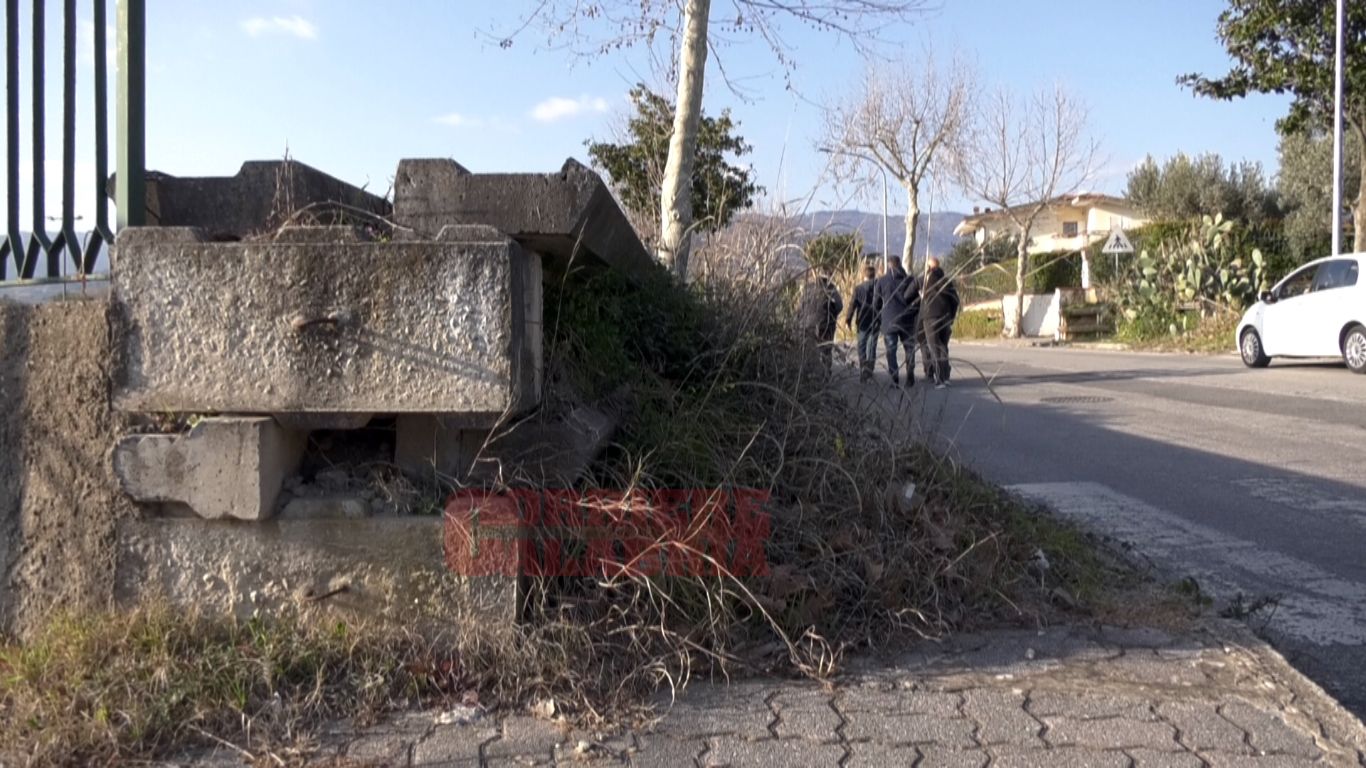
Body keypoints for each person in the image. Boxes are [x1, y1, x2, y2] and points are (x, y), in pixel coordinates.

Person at [872, 255, 920, 387]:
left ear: (889, 265)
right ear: (900, 265)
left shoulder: (881, 281)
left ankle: (894, 378)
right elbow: (917, 301)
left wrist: (878, 316)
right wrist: (913, 313)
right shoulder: (910, 279)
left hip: (889, 321)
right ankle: (910, 376)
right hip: (907, 320)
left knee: (891, 351)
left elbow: (876, 302)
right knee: (909, 349)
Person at [921, 257, 960, 389]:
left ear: (929, 268)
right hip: (945, 318)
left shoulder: (927, 280)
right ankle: (945, 377)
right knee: (943, 347)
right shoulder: (946, 281)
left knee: (934, 347)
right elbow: (955, 299)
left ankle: (939, 378)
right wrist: (951, 316)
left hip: (931, 317)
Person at [799, 265, 844, 372]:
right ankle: (826, 372)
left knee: (810, 349)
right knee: (826, 349)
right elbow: (839, 306)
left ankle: (811, 372)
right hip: (826, 324)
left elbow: (801, 306)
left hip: (808, 324)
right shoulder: (831, 288)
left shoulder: (808, 288)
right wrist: (832, 314)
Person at [843, 263, 880, 382]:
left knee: (862, 345)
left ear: (863, 276)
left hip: (863, 320)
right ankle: (869, 370)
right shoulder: (879, 287)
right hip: (876, 319)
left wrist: (848, 320)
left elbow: (852, 305)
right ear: (874, 275)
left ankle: (863, 367)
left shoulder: (858, 288)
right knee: (872, 346)